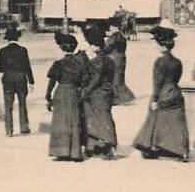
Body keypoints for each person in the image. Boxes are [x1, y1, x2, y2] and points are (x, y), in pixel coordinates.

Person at [132, 21, 189, 162]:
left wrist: (155, 99)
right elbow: (177, 78)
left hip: (163, 92)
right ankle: (180, 150)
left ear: (160, 45)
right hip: (175, 92)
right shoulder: (177, 61)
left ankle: (150, 146)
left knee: (154, 119)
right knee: (175, 123)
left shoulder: (159, 62)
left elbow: (157, 82)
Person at [45, 31, 89, 162]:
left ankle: (61, 151)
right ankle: (75, 152)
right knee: (74, 120)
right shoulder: (80, 63)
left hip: (61, 91)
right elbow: (85, 80)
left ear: (61, 48)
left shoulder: (58, 64)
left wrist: (48, 96)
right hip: (74, 92)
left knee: (60, 121)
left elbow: (51, 82)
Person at [82, 25, 118, 160]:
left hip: (97, 94)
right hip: (107, 92)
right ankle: (102, 145)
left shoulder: (97, 61)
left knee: (97, 119)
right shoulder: (110, 59)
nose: (89, 48)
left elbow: (95, 79)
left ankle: (106, 145)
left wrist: (86, 91)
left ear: (96, 46)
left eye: (91, 45)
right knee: (105, 118)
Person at [0, 25, 34, 137]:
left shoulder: (2, 51)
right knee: (22, 103)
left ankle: (9, 130)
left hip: (8, 80)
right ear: (18, 38)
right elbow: (28, 67)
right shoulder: (23, 50)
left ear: (7, 39)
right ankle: (24, 127)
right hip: (21, 79)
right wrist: (31, 82)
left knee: (8, 105)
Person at [106, 21, 135, 105]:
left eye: (111, 27)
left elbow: (108, 47)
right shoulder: (121, 36)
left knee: (114, 78)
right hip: (121, 59)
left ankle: (117, 98)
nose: (110, 28)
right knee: (120, 78)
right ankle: (125, 96)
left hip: (114, 59)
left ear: (116, 28)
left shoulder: (113, 37)